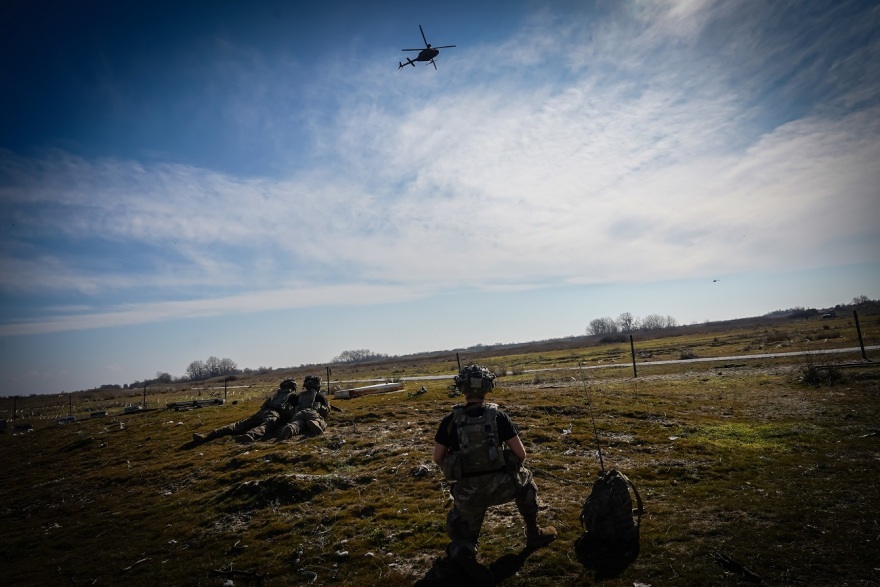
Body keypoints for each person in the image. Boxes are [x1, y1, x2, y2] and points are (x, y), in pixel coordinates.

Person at [433, 365, 557, 577]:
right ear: (488, 388)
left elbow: (438, 458)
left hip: (468, 494)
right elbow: (521, 454)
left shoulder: (449, 421)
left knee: (462, 535)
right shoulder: (498, 417)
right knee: (527, 482)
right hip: (503, 487)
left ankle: (465, 553)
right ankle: (534, 533)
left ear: (462, 389)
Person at [192, 379, 296, 444]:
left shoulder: (277, 394)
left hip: (264, 411)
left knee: (240, 424)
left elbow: (265, 404)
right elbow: (290, 413)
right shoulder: (290, 396)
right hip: (273, 414)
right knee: (267, 425)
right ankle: (250, 435)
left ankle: (207, 435)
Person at [269, 375, 330, 442]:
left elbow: (290, 406)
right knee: (320, 421)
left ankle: (291, 428)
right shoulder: (319, 396)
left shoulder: (298, 396)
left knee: (297, 424)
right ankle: (315, 423)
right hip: (312, 412)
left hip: (298, 413)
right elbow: (325, 409)